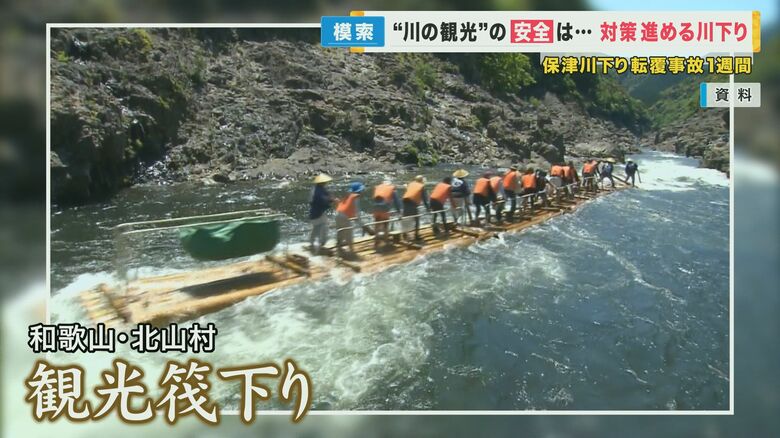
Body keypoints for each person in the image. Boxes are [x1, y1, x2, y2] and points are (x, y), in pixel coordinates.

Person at [335, 182, 365, 257]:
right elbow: (357, 215)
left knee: (340, 233)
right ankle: (352, 253)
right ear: (359, 191)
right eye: (362, 190)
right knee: (349, 235)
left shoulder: (348, 195)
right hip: (344, 216)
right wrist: (363, 226)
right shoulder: (356, 198)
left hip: (337, 214)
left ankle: (339, 251)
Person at [309, 174, 335, 254]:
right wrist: (331, 201)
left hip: (313, 212)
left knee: (315, 228)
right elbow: (323, 201)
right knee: (324, 228)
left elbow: (326, 196)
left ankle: (311, 243)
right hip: (318, 212)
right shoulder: (319, 192)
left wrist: (330, 199)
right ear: (323, 182)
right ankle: (321, 244)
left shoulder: (315, 189)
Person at [372, 180, 401, 250]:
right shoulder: (392, 189)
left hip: (375, 207)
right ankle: (386, 242)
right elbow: (397, 202)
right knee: (385, 225)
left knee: (377, 225)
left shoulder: (378, 187)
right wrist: (399, 212)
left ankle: (376, 241)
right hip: (384, 208)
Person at [402, 175, 429, 241]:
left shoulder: (411, 184)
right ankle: (416, 235)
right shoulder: (421, 186)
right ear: (421, 180)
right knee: (416, 219)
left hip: (405, 201)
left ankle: (404, 234)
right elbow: (425, 199)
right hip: (412, 203)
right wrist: (428, 208)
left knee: (406, 218)